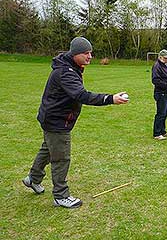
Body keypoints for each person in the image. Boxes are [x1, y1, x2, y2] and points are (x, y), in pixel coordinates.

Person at [22, 37, 129, 208]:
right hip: (57, 121)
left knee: (48, 149)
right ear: (75, 54)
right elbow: (82, 95)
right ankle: (60, 195)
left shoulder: (71, 67)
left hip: (51, 118)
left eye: (91, 53)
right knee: (61, 157)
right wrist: (110, 98)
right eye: (86, 53)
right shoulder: (66, 72)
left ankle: (32, 179)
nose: (90, 56)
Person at [152, 49, 167, 140]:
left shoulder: (166, 66)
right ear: (160, 57)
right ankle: (157, 133)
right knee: (161, 113)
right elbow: (155, 80)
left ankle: (162, 131)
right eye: (166, 58)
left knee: (165, 113)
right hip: (161, 93)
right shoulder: (157, 66)